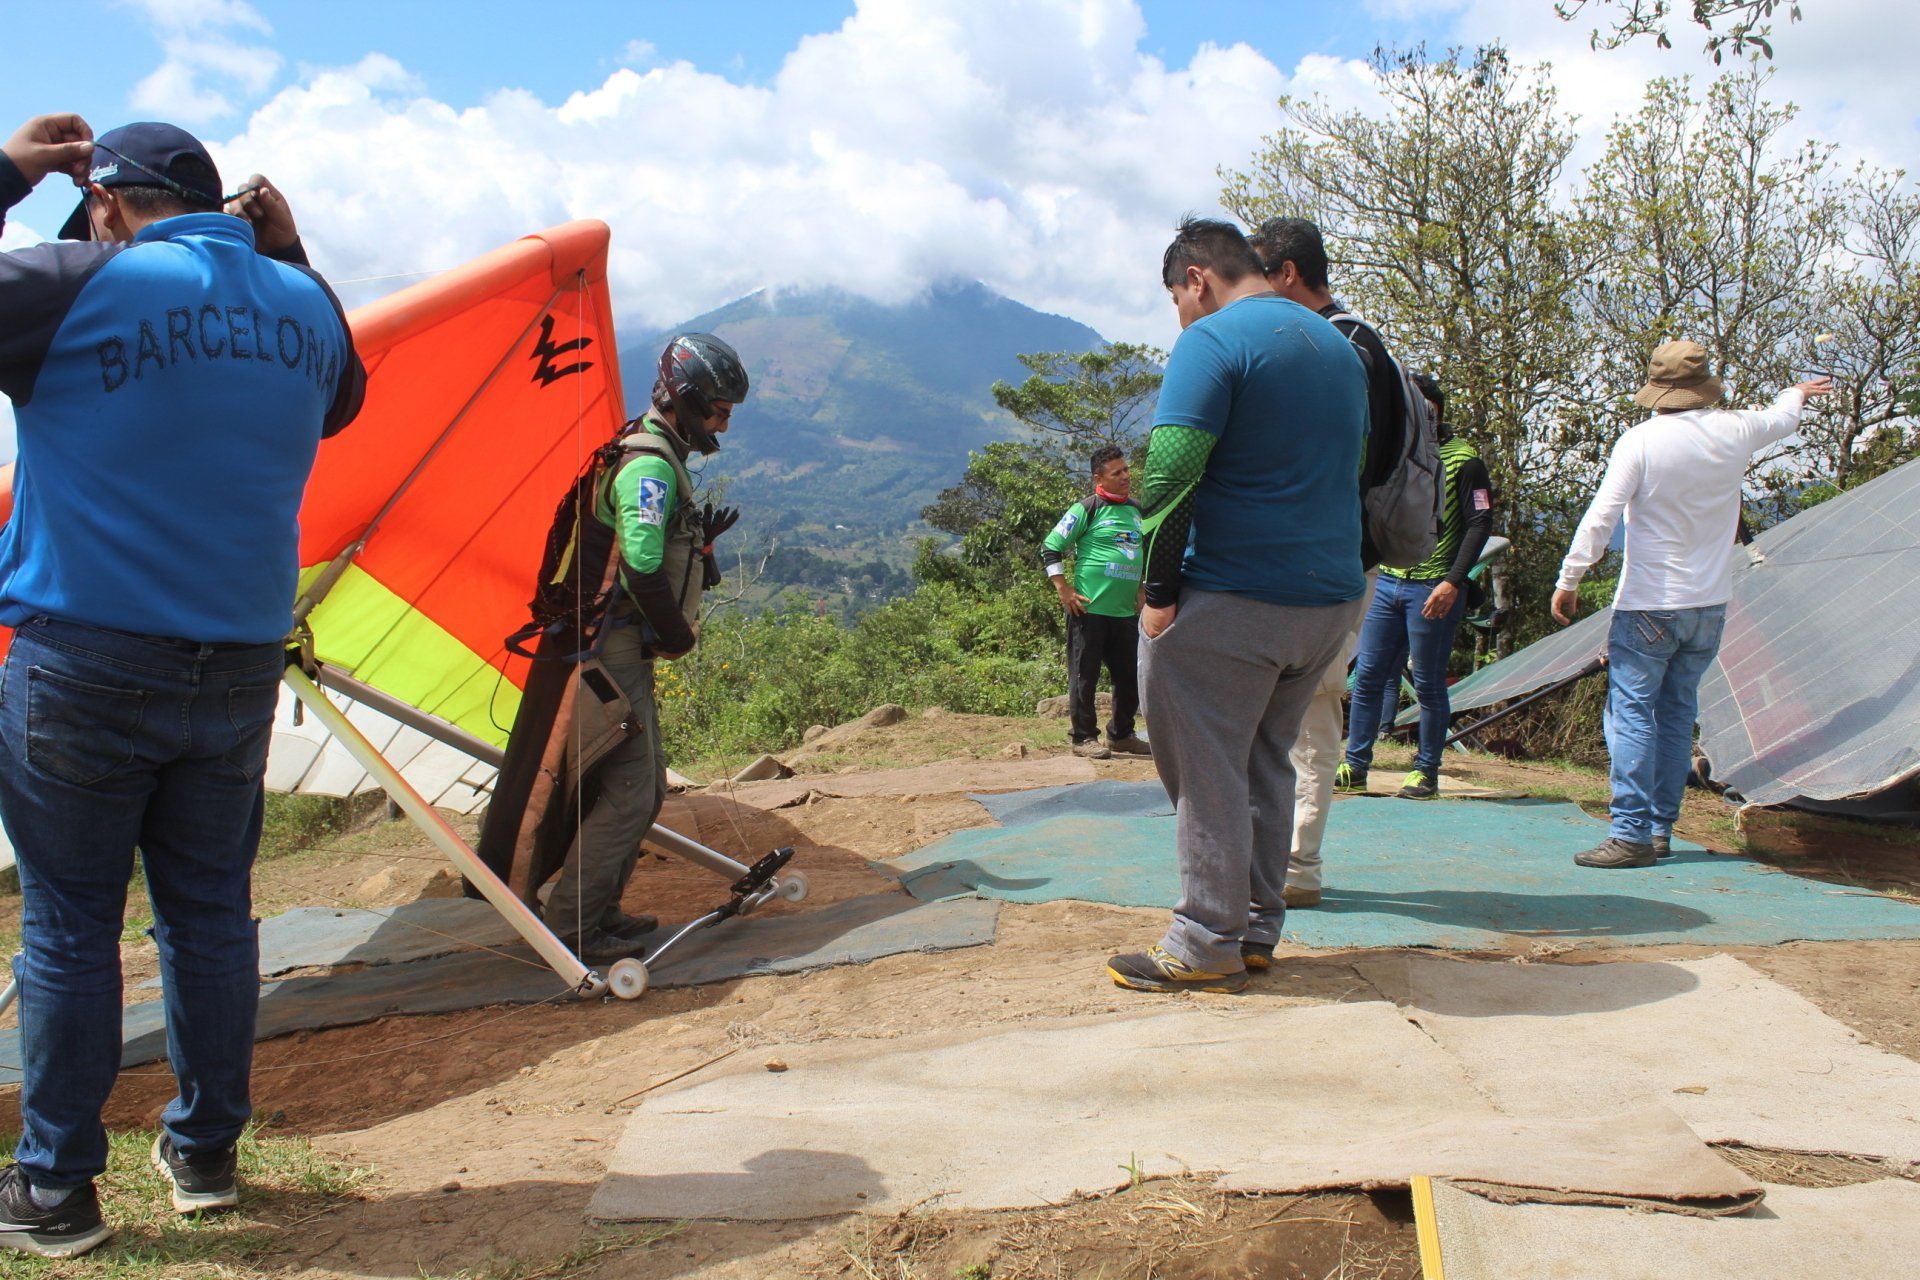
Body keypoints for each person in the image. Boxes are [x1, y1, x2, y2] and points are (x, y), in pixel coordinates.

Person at [0, 114, 364, 1255]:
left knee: (71, 926)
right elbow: (344, 398)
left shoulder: (75, 286)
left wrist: (8, 172)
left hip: (85, 661)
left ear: (105, 204)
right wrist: (289, 251)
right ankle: (204, 1152)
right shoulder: (304, 307)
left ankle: (57, 1188)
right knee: (209, 916)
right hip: (239, 669)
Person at [1105, 217, 1368, 994]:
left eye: (1176, 301)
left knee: (1208, 767)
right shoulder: (1336, 345)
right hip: (1329, 601)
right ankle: (1255, 929)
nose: (1181, 318)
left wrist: (1158, 595)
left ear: (1196, 279)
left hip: (1235, 596)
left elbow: (1170, 475)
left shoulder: (1213, 341)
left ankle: (1204, 940)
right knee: (1264, 760)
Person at [1553, 341, 1830, 868]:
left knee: (1631, 714)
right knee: (1678, 712)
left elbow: (1601, 516)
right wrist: (1795, 392)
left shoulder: (1640, 441)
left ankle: (1630, 834)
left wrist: (1570, 578)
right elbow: (1782, 419)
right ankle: (1659, 828)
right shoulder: (1736, 428)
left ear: (1657, 390)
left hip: (1650, 603)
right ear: (1704, 386)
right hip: (1710, 603)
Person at [540, 333, 748, 961]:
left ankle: (600, 909)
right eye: (718, 411)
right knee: (633, 788)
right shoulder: (650, 466)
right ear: (688, 400)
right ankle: (573, 927)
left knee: (647, 786)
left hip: (623, 644)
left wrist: (701, 555)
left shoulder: (656, 454)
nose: (723, 425)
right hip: (613, 646)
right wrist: (678, 635)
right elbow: (641, 564)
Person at [1339, 373, 1494, 799]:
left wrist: (1453, 581)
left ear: (1438, 412)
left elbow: (1480, 523)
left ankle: (1426, 771)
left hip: (1433, 588)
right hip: (1389, 581)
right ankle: (1355, 764)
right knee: (1368, 676)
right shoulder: (1394, 451)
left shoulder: (1465, 460)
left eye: (1426, 408)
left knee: (1427, 683)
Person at [1250, 216, 1406, 568]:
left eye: (1260, 276)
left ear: (1288, 273)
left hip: (1330, 553)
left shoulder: (1333, 345)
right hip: (1345, 548)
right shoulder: (1358, 336)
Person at [1041, 446, 1150, 760]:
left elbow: (1144, 551)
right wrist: (1063, 588)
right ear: (1098, 479)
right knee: (1084, 677)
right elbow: (1050, 547)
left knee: (1129, 677)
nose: (1126, 476)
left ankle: (1122, 735)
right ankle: (1084, 737)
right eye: (1117, 473)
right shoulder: (1086, 509)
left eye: (1126, 470)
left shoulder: (1137, 511)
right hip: (1089, 610)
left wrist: (1142, 587)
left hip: (1125, 612)